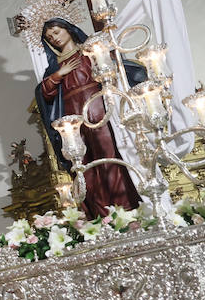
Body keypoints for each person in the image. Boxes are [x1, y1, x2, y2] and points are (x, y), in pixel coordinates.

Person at [34, 18, 145, 216]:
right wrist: (59, 74)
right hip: (73, 121)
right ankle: (100, 213)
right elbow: (45, 94)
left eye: (57, 32)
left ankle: (125, 206)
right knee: (84, 165)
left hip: (99, 110)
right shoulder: (54, 68)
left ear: (68, 30)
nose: (55, 39)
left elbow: (113, 67)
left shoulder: (89, 51)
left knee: (109, 155)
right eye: (50, 38)